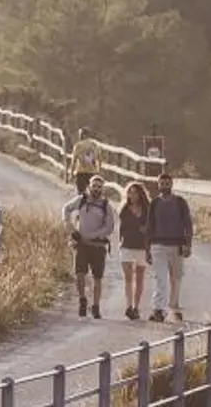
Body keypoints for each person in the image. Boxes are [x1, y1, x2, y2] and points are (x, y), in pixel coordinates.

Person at [62, 174, 116, 319]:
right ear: (89, 187)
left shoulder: (106, 206)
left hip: (98, 246)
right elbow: (66, 209)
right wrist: (70, 228)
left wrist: (97, 234)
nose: (96, 189)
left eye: (99, 187)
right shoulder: (81, 200)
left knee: (97, 277)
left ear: (103, 189)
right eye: (94, 186)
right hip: (82, 244)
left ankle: (96, 306)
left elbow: (110, 226)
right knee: (79, 274)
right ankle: (82, 299)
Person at [147, 172, 194, 323]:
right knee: (160, 278)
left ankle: (174, 307)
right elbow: (149, 226)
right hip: (158, 245)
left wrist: (188, 244)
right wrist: (147, 248)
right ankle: (158, 309)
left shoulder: (180, 202)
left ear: (171, 185)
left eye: (167, 184)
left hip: (177, 245)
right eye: (162, 183)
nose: (164, 186)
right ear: (158, 185)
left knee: (176, 278)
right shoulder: (154, 203)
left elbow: (188, 224)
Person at [117, 182, 152, 321]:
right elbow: (120, 228)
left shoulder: (147, 209)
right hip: (126, 245)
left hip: (142, 247)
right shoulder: (124, 209)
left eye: (135, 192)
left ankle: (136, 307)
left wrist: (146, 230)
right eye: (130, 192)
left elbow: (152, 226)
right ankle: (128, 306)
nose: (132, 195)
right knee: (128, 277)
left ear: (140, 194)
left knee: (139, 278)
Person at [70, 128, 102, 195]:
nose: (79, 136)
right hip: (92, 172)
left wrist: (71, 173)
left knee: (80, 193)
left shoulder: (78, 146)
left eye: (80, 134)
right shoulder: (95, 145)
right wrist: (98, 171)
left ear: (84, 135)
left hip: (81, 172)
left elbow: (74, 160)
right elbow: (99, 159)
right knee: (92, 193)